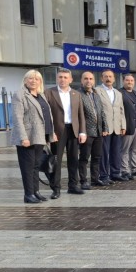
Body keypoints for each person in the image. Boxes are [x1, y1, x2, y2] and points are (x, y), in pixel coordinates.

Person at [11, 70, 54, 203]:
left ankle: (36, 192)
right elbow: (17, 118)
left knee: (36, 166)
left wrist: (51, 134)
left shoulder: (41, 95)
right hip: (28, 137)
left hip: (40, 136)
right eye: (30, 78)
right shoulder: (20, 94)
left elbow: (47, 115)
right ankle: (28, 194)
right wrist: (23, 137)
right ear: (25, 80)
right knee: (27, 167)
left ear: (40, 81)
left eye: (37, 79)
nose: (33, 81)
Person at [45, 68, 87, 198]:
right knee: (56, 161)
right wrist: (50, 132)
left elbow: (81, 115)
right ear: (57, 78)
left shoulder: (76, 94)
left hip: (73, 130)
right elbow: (46, 115)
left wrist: (82, 132)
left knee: (73, 159)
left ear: (70, 79)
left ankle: (73, 186)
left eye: (65, 77)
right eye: (60, 77)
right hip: (57, 132)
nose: (62, 79)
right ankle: (55, 189)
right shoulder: (49, 93)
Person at [78, 71, 109, 190]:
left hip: (98, 131)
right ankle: (83, 180)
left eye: (91, 79)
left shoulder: (96, 95)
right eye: (86, 78)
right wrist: (82, 131)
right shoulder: (78, 94)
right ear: (81, 80)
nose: (88, 81)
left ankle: (95, 179)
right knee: (84, 158)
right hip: (86, 132)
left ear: (94, 81)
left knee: (97, 157)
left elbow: (101, 113)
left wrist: (105, 128)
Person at [95, 69, 127, 183]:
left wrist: (123, 126)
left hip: (117, 128)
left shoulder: (118, 93)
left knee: (116, 151)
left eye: (110, 76)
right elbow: (97, 111)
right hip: (105, 128)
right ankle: (103, 175)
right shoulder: (97, 91)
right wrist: (101, 127)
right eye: (106, 76)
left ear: (113, 79)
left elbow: (121, 110)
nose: (108, 78)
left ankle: (115, 173)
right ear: (101, 78)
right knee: (104, 153)